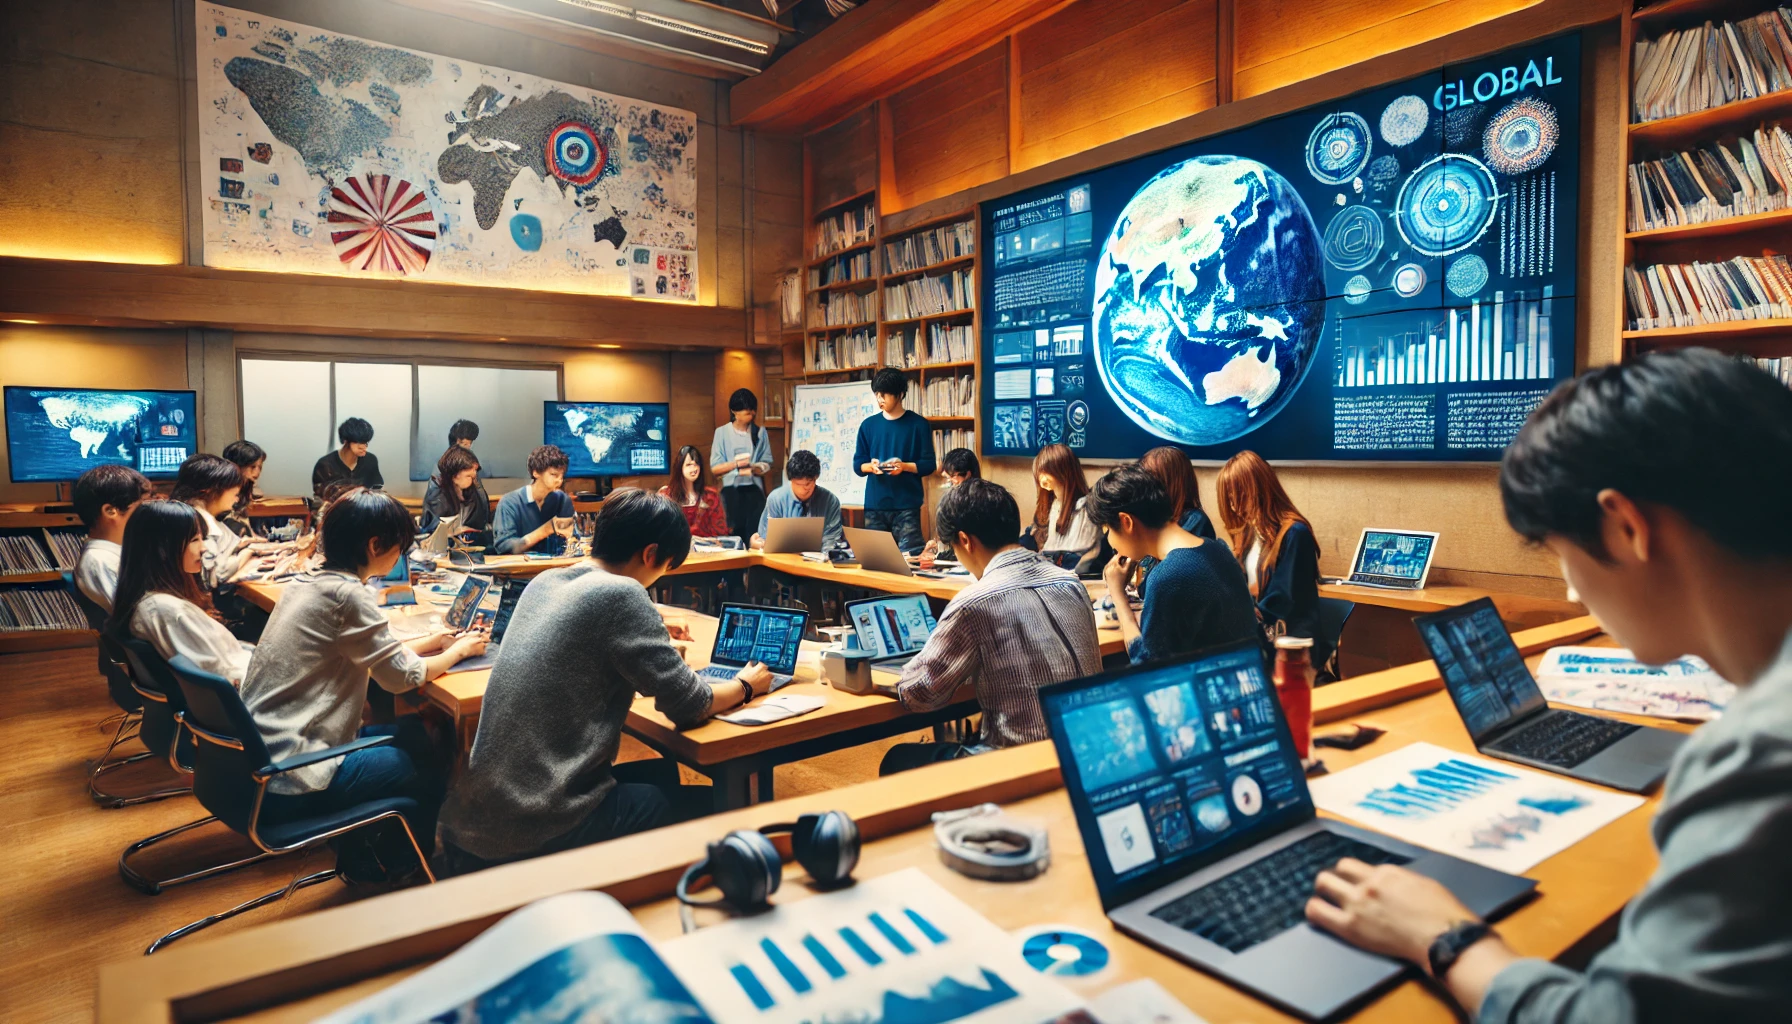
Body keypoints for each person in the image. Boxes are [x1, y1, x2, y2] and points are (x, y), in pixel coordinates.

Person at [1304, 349, 1792, 1024]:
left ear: (1626, 527)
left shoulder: (1763, 754)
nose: (1569, 588)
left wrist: (1446, 936)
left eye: (1563, 554)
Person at [438, 489, 775, 874]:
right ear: (650, 555)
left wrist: (654, 626)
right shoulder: (623, 594)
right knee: (703, 809)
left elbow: (586, 626)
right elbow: (689, 705)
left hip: (482, 813)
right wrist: (747, 684)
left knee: (661, 773)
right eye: (665, 566)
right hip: (532, 826)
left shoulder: (546, 581)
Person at [241, 489, 486, 877]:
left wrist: (432, 643)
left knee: (418, 733)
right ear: (375, 544)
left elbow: (363, 650)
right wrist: (460, 652)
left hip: (260, 760)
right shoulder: (347, 596)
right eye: (399, 548)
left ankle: (366, 853)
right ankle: (406, 866)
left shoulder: (309, 582)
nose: (400, 557)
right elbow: (402, 679)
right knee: (436, 757)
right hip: (295, 774)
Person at [881, 479, 1103, 775]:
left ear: (966, 541)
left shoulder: (975, 601)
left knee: (897, 759)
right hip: (1093, 754)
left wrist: (874, 678)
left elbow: (922, 694)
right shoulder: (1070, 582)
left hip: (1023, 766)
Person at [1091, 464, 1259, 665]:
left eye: (1107, 530)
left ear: (1126, 522)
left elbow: (1147, 667)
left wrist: (1117, 594)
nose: (1110, 540)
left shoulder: (1169, 576)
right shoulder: (1218, 550)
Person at [106, 500, 255, 684]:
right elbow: (221, 676)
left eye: (202, 539)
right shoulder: (168, 611)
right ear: (163, 550)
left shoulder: (152, 601)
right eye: (195, 540)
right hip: (249, 691)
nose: (204, 548)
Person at [1216, 450, 1325, 666]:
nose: (1234, 506)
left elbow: (1282, 601)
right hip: (1259, 638)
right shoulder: (1248, 534)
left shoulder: (1295, 533)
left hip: (1288, 647)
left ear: (1259, 489)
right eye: (1229, 499)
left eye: (1239, 496)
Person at [853, 368, 936, 554]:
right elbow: (858, 465)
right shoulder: (868, 425)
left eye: (885, 394)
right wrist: (872, 467)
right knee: (876, 560)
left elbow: (929, 464)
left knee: (910, 560)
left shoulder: (919, 424)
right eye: (877, 394)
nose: (880, 399)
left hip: (906, 505)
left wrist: (904, 466)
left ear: (900, 394)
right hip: (875, 506)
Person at [72, 464, 151, 612]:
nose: (146, 515)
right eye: (141, 508)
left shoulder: (118, 553)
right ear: (110, 511)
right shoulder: (99, 561)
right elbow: (136, 615)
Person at [169, 454, 254, 591]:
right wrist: (249, 552)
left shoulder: (189, 514)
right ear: (210, 490)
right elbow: (214, 576)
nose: (236, 500)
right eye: (235, 494)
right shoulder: (198, 523)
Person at [710, 389, 772, 545]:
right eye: (746, 413)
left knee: (756, 533)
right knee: (733, 534)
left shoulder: (760, 432)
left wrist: (756, 468)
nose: (750, 416)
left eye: (752, 413)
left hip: (754, 490)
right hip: (731, 492)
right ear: (734, 412)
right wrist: (736, 465)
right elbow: (715, 468)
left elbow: (767, 462)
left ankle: (753, 567)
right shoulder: (722, 433)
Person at [753, 449, 844, 551]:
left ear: (816, 478)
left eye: (808, 484)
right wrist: (759, 543)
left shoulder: (830, 501)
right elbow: (766, 538)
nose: (803, 489)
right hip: (782, 559)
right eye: (798, 484)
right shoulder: (776, 499)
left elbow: (832, 539)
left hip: (817, 560)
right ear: (791, 480)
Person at [492, 445, 576, 555]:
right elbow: (503, 547)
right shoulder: (510, 503)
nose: (559, 481)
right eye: (554, 475)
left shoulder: (562, 500)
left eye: (561, 476)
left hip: (556, 566)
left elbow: (573, 539)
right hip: (521, 568)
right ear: (535, 472)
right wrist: (546, 530)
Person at [1032, 444, 1100, 569]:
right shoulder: (1051, 508)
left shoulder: (1086, 508)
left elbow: (1084, 551)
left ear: (1062, 472)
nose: (1042, 478)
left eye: (1046, 471)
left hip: (1075, 572)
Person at [921, 447, 981, 562]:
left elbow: (967, 547)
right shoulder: (952, 497)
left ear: (967, 475)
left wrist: (938, 556)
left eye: (953, 476)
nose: (950, 481)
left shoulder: (977, 502)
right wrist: (934, 546)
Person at [421, 446, 491, 542]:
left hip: (473, 545)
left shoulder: (474, 489)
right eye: (468, 476)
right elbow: (434, 530)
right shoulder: (437, 493)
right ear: (454, 476)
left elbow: (481, 522)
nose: (474, 476)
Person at [659, 444, 728, 538]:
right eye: (689, 465)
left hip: (707, 549)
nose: (694, 469)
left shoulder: (711, 496)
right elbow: (661, 530)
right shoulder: (666, 495)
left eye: (697, 464)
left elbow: (720, 532)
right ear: (679, 467)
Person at [312, 417, 383, 498]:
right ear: (346, 441)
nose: (364, 446)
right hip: (335, 508)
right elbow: (319, 499)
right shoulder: (325, 465)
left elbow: (378, 488)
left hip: (364, 507)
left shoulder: (370, 460)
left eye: (366, 442)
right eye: (359, 442)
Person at [220, 440, 267, 537]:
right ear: (236, 465)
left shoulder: (246, 489)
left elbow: (250, 533)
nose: (257, 473)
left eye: (260, 467)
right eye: (252, 467)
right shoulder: (223, 492)